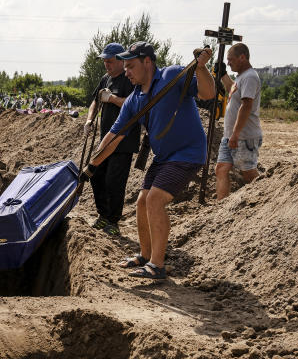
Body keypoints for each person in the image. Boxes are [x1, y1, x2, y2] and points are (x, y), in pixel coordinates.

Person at [87, 41, 215, 280]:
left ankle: (157, 265)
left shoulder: (173, 75)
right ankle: (145, 255)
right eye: (124, 67)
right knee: (142, 202)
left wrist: (201, 68)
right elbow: (114, 136)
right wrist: (92, 165)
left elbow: (208, 93)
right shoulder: (135, 98)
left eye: (131, 66)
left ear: (147, 62)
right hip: (164, 157)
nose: (126, 72)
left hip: (188, 153)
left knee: (155, 199)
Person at [83, 42, 140, 236]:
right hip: (105, 139)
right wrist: (90, 119)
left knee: (114, 181)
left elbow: (137, 105)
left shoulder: (129, 78)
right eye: (105, 61)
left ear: (120, 60)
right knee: (96, 175)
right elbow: (95, 100)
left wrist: (113, 99)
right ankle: (103, 215)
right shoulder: (105, 79)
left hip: (124, 141)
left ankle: (114, 221)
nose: (106, 64)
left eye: (110, 61)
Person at [215, 43, 262, 199]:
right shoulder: (241, 77)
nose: (228, 63)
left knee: (248, 173)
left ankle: (268, 198)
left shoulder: (250, 77)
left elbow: (246, 105)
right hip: (230, 136)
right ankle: (221, 207)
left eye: (231, 60)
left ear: (242, 57)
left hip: (243, 136)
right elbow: (232, 90)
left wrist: (236, 134)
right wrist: (222, 74)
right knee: (221, 168)